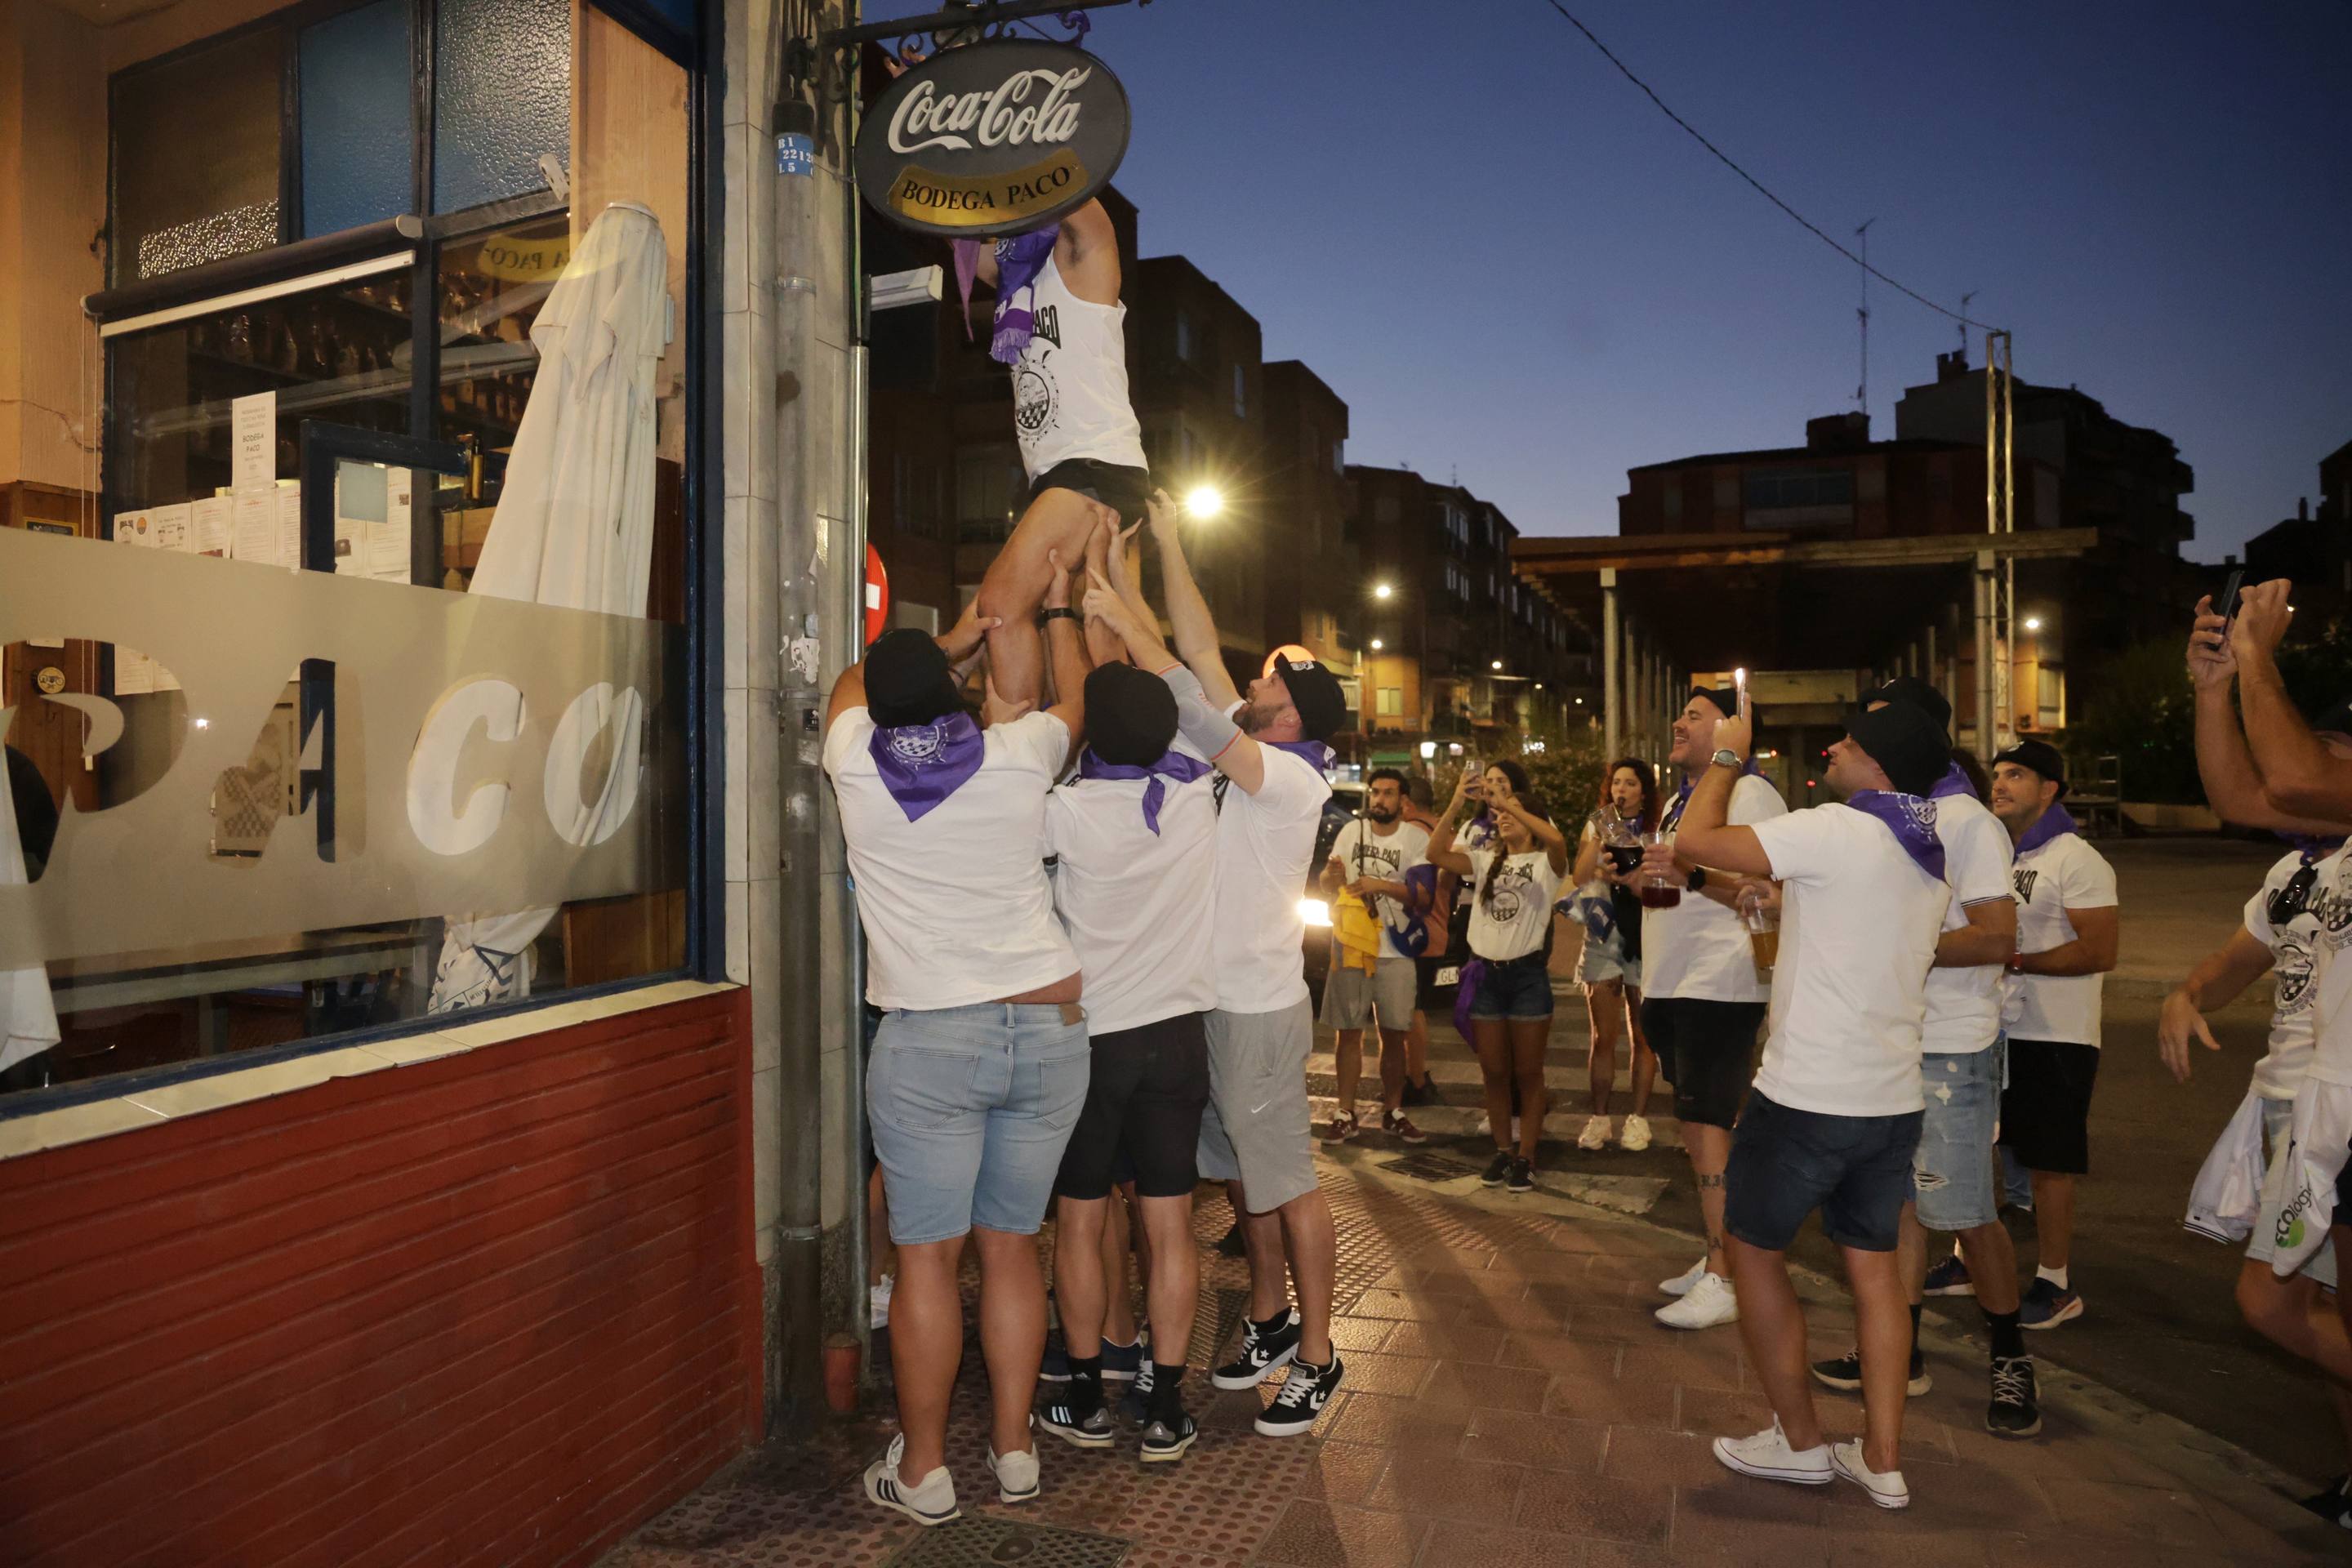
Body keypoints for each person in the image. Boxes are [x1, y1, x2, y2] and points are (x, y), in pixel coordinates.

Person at [825, 560, 1095, 1526]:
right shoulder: (1017, 754)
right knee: (1013, 1247)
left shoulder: (855, 761)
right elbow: (1076, 700)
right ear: (953, 700)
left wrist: (936, 649)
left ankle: (926, 1469)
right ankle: (1016, 1450)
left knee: (929, 1260)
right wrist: (1052, 609)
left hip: (934, 1040)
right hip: (1052, 1030)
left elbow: (851, 683)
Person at [1082, 490, 1352, 1437]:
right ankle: (1271, 1318)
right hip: (1216, 1003)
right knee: (1244, 1174)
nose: (1255, 672)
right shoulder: (1268, 743)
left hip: (1256, 1011)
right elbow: (1197, 652)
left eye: (1271, 674)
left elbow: (1189, 699)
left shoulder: (1288, 776)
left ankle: (1320, 1352)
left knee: (1287, 1179)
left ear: (1291, 706)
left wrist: (1120, 613)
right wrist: (1169, 544)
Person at [1677, 697, 1956, 1512]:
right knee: (1873, 1273)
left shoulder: (1838, 829)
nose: (1833, 748)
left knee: (1751, 1246)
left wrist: (1729, 757)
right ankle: (1884, 1459)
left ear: (1875, 761)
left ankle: (1800, 1443)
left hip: (1806, 1095)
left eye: (1849, 741)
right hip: (1889, 1099)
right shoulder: (1924, 851)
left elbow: (1692, 840)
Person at [1809, 677, 2038, 1438]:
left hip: (1952, 1044)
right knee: (1899, 1206)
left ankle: (2011, 1357)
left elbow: (1998, 936)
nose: (1855, 741)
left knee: (1966, 1212)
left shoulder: (1965, 820)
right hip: (1891, 1036)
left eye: (1874, 728)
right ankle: (1901, 1353)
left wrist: (1899, 944)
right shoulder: (1881, 816)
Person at [2185, 590, 2352, 1527]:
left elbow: (2283, 778)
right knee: (2301, 1305)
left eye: (2338, 756)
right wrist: (2216, 688)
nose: (2318, 767)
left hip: (2345, 1103)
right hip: (2324, 1104)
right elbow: (2247, 796)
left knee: (2277, 1302)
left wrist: (2258, 656)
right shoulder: (2311, 865)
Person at [1037, 658, 1216, 1463]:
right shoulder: (1192, 799)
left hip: (1092, 1041)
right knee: (1170, 1226)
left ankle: (1084, 1398)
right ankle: (1167, 1408)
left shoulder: (1061, 813)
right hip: (1177, 1037)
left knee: (1079, 1219)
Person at [963, 199, 1148, 706]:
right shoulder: (1017, 286)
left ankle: (1021, 752)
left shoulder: (1081, 263)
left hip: (1093, 463)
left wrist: (1020, 149)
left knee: (1000, 604)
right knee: (1091, 628)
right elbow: (953, 225)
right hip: (1065, 475)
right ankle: (1105, 759)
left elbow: (1076, 191)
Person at [1646, 688, 1788, 1330]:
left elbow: (1774, 891)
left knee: (1711, 1130)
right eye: (1679, 713)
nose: (1677, 722)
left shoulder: (1749, 794)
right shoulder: (1685, 798)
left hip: (1720, 981)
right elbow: (1676, 878)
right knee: (1695, 1126)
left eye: (1695, 716)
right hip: (1673, 980)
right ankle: (1715, 1256)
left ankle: (1728, 1276)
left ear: (1730, 732)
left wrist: (1694, 877)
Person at [1988, 737, 2119, 1330]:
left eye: (2016, 774)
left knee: (2049, 1163)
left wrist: (2015, 961)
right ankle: (1975, 1264)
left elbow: (2100, 949)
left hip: (2058, 1035)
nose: (2000, 784)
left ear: (2049, 789)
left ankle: (2056, 1282)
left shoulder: (2076, 858)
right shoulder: (2008, 858)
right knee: (1986, 1148)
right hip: (2004, 1030)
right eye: (1996, 774)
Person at [1427, 770, 1570, 1192]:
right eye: (1501, 814)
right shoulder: (1485, 859)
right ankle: (1503, 1151)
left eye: (1516, 814)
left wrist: (1511, 803)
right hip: (1486, 974)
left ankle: (1526, 1157)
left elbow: (1559, 842)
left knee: (1528, 1072)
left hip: (1526, 977)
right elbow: (1436, 854)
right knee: (1492, 1071)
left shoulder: (1546, 863)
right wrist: (1456, 802)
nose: (1503, 818)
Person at [1320, 768, 1430, 1143]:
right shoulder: (1352, 832)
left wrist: (1381, 885)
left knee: (1395, 1033)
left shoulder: (1415, 839)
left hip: (1396, 947)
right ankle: (1345, 1111)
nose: (1379, 800)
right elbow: (1327, 883)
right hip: (1352, 943)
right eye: (1375, 793)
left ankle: (1393, 1110)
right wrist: (1333, 876)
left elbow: (1423, 896)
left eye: (1388, 793)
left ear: (1403, 801)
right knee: (1348, 1031)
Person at [1567, 757, 1660, 1152]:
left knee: (1644, 1036)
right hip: (1604, 935)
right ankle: (1600, 1118)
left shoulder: (1657, 828)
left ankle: (1638, 1119)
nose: (1622, 790)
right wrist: (1599, 834)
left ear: (1644, 791)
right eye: (1616, 783)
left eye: (1630, 783)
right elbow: (1579, 875)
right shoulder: (1599, 824)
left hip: (1645, 934)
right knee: (1602, 1036)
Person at [1399, 775, 1447, 1107]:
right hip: (1438, 931)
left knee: (1409, 1010)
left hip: (1415, 933)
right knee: (1415, 1008)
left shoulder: (1414, 833)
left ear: (1406, 803)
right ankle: (1416, 1076)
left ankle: (1415, 1080)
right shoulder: (1443, 831)